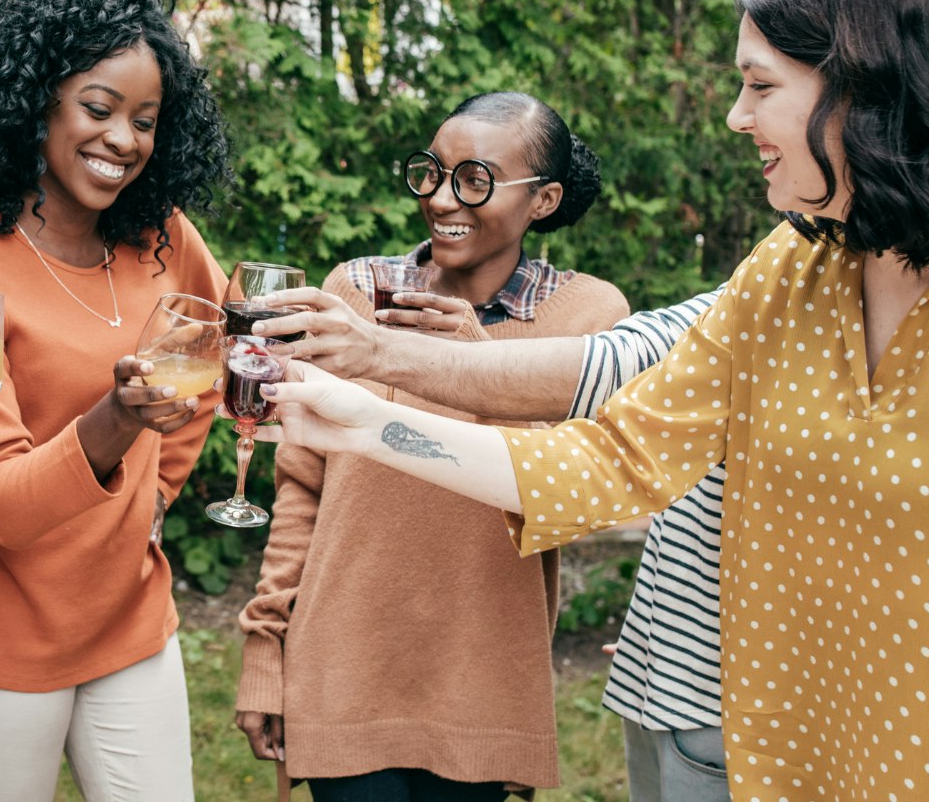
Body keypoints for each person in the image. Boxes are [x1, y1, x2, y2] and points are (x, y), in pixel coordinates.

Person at [255, 0, 929, 801]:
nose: (737, 116)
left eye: (759, 86)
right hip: (784, 762)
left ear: (868, 89)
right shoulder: (793, 269)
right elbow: (613, 456)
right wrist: (367, 417)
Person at [0, 0, 232, 799]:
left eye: (147, 119)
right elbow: (0, 506)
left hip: (129, 616)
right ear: (31, 102)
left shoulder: (164, 238)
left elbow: (213, 349)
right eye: (99, 107)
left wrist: (158, 490)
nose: (124, 139)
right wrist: (116, 422)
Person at [234, 93, 629, 800]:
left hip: (480, 675)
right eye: (433, 173)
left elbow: (570, 492)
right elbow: (301, 484)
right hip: (342, 663)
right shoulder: (354, 295)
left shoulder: (589, 318)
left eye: (475, 179)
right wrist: (267, 647)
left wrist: (473, 364)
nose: (444, 198)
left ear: (544, 200)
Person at [259, 286, 729, 799]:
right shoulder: (755, 292)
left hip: (730, 700)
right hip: (677, 687)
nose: (441, 202)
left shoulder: (614, 310)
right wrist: (369, 423)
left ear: (545, 200)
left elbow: (583, 476)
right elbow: (589, 467)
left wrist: (389, 360)